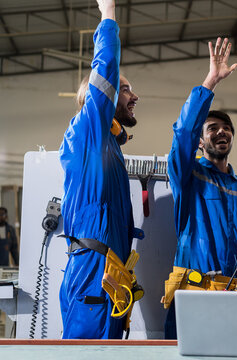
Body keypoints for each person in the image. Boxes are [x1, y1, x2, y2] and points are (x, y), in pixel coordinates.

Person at [163, 37, 237, 339]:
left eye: (227, 128)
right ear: (200, 141)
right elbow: (182, 132)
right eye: (212, 128)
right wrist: (210, 82)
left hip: (231, 300)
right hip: (191, 296)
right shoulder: (188, 176)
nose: (222, 131)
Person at [59, 0, 141, 339]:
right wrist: (108, 15)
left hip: (108, 275)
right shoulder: (88, 130)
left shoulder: (108, 149)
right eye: (125, 89)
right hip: (93, 273)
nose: (134, 96)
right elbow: (105, 70)